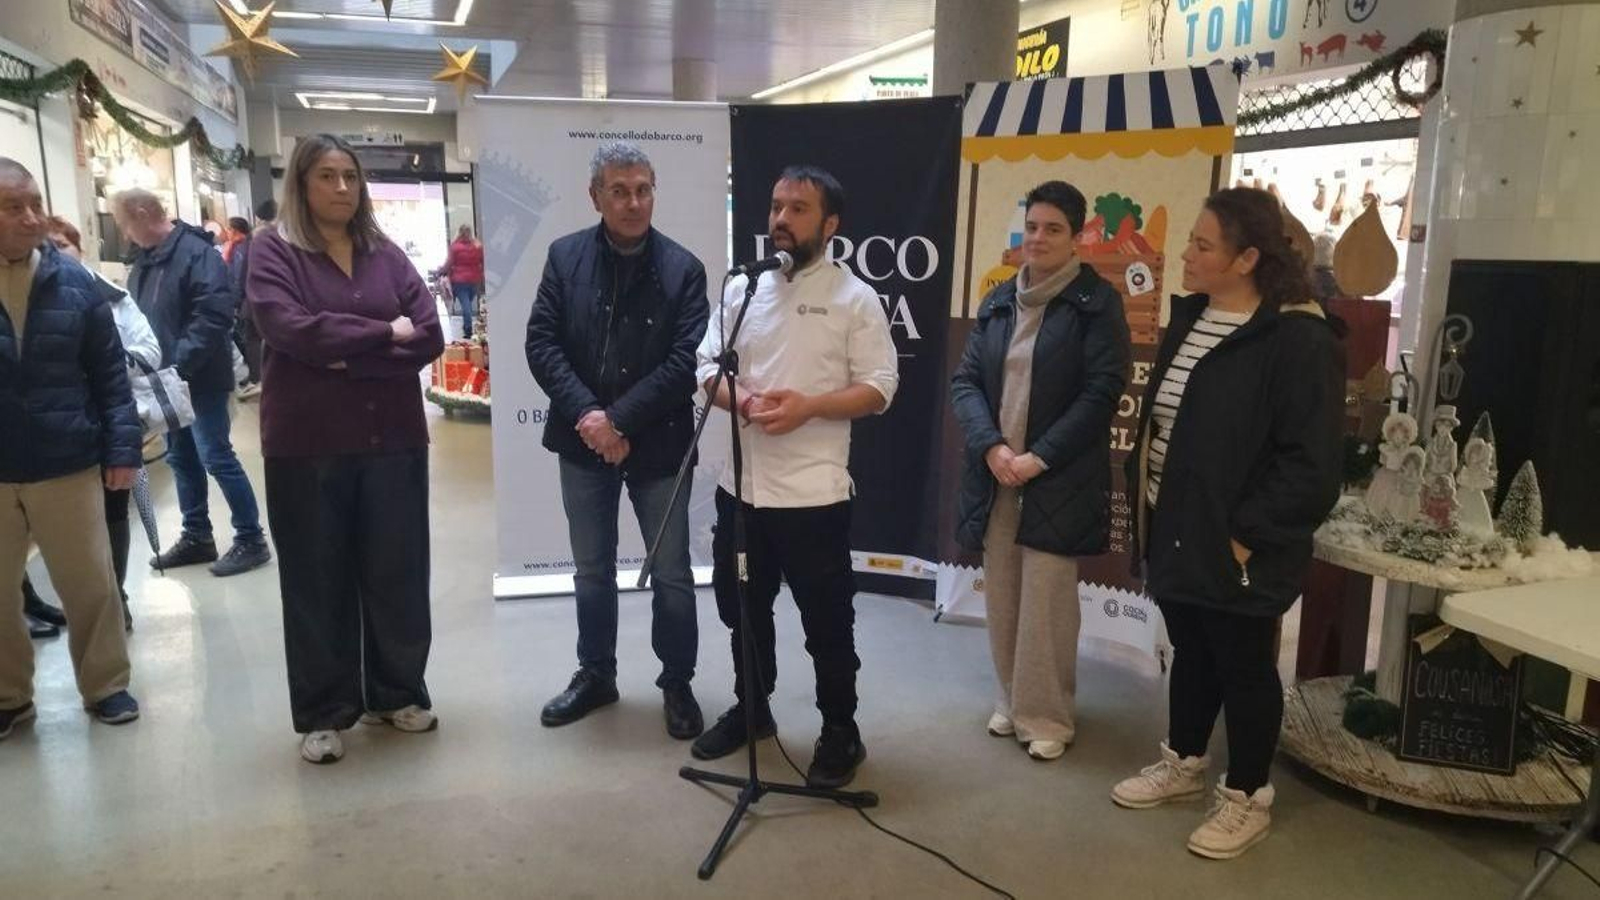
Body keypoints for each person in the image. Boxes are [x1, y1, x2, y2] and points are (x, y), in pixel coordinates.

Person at [1110, 188, 1344, 860]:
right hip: (1176, 524)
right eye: (1192, 240)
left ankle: (1246, 796)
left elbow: (1311, 466)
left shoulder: (1299, 339)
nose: (1186, 254)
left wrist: (1246, 535)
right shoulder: (1192, 318)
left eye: (1203, 245)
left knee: (1244, 666)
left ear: (1247, 259)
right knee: (1193, 650)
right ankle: (1184, 762)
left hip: (1239, 542)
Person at [690, 165, 899, 789]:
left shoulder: (854, 297)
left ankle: (840, 729)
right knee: (742, 611)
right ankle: (753, 710)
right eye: (777, 205)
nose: (781, 218)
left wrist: (809, 407)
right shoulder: (742, 290)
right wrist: (744, 400)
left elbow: (880, 387)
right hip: (741, 492)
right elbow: (705, 367)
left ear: (830, 224)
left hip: (814, 497)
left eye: (799, 209)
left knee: (826, 624)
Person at [247, 133, 445, 765]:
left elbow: (430, 334)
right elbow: (289, 329)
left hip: (393, 440)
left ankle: (397, 693)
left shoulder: (385, 254)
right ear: (301, 184)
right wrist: (385, 334)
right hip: (308, 446)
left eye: (350, 177)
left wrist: (344, 356)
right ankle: (324, 711)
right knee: (316, 578)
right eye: (327, 176)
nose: (341, 188)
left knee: (397, 572)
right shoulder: (273, 251)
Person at [525, 141, 709, 740]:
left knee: (672, 572)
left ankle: (677, 682)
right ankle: (596, 675)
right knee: (591, 569)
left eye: (643, 190)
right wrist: (590, 417)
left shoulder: (684, 269)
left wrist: (619, 421)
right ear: (595, 196)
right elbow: (541, 344)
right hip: (583, 440)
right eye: (620, 191)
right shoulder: (564, 257)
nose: (634, 202)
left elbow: (686, 362)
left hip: (660, 443)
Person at [949, 181, 1131, 761]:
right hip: (997, 472)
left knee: (1047, 602)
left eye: (1053, 229)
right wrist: (992, 449)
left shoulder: (1097, 303)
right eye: (1031, 227)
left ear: (1077, 236)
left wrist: (1038, 456)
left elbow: (1103, 391)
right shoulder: (1000, 300)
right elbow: (965, 382)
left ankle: (1048, 715)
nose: (1038, 238)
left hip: (1057, 475)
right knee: (1003, 592)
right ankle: (1012, 699)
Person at [0, 157, 142, 739]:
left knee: (91, 584)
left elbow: (110, 376)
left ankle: (105, 684)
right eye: (14, 207)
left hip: (67, 462)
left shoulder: (75, 283)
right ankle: (9, 696)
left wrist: (123, 451)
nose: (31, 217)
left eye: (35, 203)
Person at [113, 188, 271, 577]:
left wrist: (178, 364)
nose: (125, 234)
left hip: (199, 378)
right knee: (181, 457)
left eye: (125, 225)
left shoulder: (197, 254)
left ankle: (251, 538)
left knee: (215, 455)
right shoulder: (145, 261)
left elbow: (213, 315)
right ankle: (197, 534)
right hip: (164, 380)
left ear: (142, 214)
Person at [17, 216, 162, 634]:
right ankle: (26, 603)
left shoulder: (107, 295)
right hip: (36, 442)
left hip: (97, 431)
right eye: (49, 245)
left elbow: (140, 355)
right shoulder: (19, 297)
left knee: (111, 515)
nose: (56, 252)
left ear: (80, 248)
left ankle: (116, 596)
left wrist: (111, 361)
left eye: (64, 244)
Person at [444, 224, 484, 339]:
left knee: (466, 306)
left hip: (459, 281)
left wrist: (441, 271)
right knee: (468, 305)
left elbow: (449, 263)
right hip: (474, 280)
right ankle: (467, 325)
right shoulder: (477, 246)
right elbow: (483, 261)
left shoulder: (454, 247)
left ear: (459, 233)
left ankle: (468, 329)